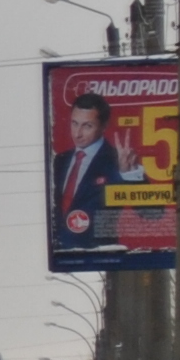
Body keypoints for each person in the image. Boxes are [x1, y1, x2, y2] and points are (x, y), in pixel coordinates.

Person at [54, 91, 145, 248]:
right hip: (60, 252)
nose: (77, 133)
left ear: (104, 126)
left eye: (87, 126)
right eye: (74, 123)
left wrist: (130, 175)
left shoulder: (117, 160)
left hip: (98, 251)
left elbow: (153, 214)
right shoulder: (59, 161)